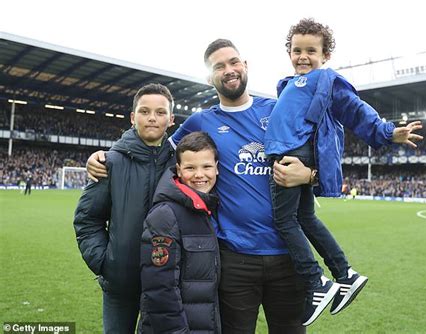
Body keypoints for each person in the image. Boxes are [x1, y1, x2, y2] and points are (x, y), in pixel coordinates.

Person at [87, 39, 313, 333]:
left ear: (245, 65)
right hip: (233, 257)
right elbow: (152, 145)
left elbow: (321, 154)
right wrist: (106, 155)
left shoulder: (278, 110)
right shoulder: (199, 121)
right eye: (219, 66)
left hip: (287, 254)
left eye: (233, 62)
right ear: (210, 77)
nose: (229, 70)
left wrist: (309, 175)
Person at [264, 18, 423, 325]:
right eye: (297, 50)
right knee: (305, 217)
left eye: (311, 50)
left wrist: (388, 131)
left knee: (283, 220)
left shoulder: (326, 80)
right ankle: (345, 275)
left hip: (292, 154)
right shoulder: (287, 84)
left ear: (326, 55)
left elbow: (354, 108)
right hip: (290, 151)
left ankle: (316, 282)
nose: (303, 56)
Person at [73, 83, 175, 334]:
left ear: (171, 119)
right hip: (120, 286)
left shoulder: (181, 163)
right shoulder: (110, 162)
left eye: (160, 112)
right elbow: (88, 220)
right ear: (133, 117)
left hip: (167, 285)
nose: (152, 118)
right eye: (144, 111)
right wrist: (106, 263)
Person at [139, 131, 221, 333]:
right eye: (190, 168)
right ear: (178, 170)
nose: (199, 175)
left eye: (206, 167)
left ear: (217, 169)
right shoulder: (165, 215)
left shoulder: (207, 209)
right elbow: (160, 290)